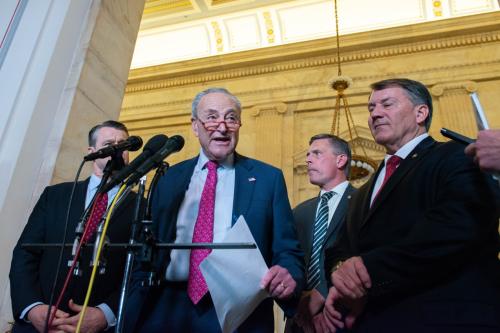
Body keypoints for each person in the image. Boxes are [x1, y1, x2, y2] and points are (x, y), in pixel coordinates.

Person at [320, 78, 500, 332]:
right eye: (371, 108)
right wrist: (342, 276)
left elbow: (458, 226)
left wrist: (368, 270)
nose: (375, 114)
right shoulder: (363, 192)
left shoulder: (457, 155)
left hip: (447, 318)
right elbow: (338, 249)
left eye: (387, 104)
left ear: (421, 112)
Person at [125, 88, 305, 333]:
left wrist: (289, 276)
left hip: (240, 313)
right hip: (166, 308)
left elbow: (287, 250)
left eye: (231, 118)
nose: (222, 126)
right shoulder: (168, 178)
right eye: (211, 117)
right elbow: (145, 251)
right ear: (195, 126)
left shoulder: (267, 178)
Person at [10, 120, 137, 333]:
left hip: (98, 327)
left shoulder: (141, 205)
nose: (117, 149)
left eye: (123, 145)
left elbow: (137, 272)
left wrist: (105, 314)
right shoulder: (56, 196)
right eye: (109, 143)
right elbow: (26, 253)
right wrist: (33, 308)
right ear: (92, 151)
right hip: (40, 324)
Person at [285, 134, 355, 333]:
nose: (308, 159)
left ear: (340, 160)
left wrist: (322, 292)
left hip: (342, 317)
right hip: (299, 319)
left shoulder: (363, 203)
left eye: (316, 153)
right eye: (307, 154)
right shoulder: (299, 212)